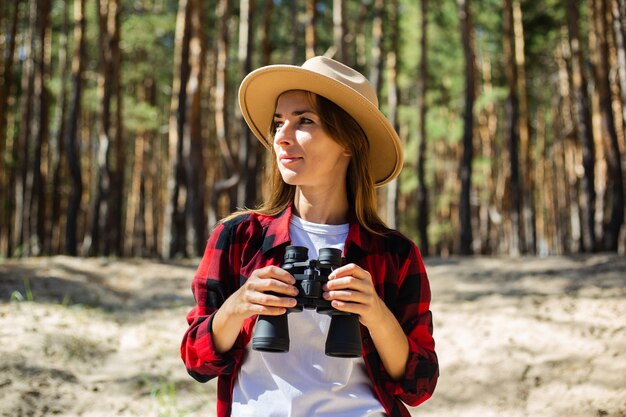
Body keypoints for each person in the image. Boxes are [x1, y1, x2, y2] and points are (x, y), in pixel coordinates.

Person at [181, 56, 438, 417]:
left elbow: (419, 385)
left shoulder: (393, 253)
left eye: (304, 121)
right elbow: (196, 360)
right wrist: (239, 305)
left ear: (349, 142)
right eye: (278, 123)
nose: (282, 137)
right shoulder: (240, 238)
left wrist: (375, 313)